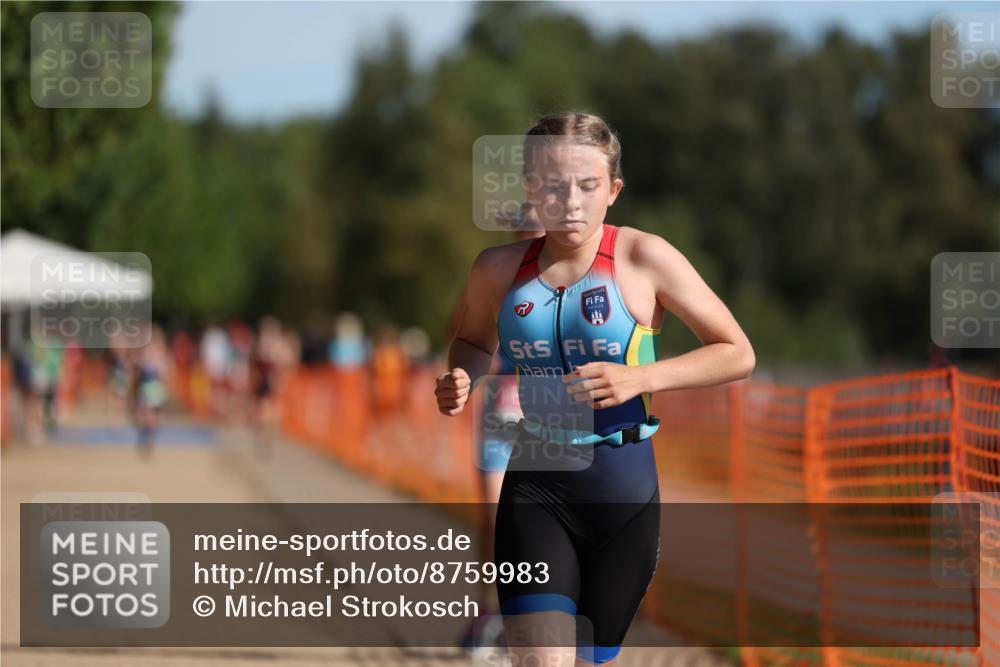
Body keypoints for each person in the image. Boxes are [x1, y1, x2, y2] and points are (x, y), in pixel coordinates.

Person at [435, 112, 755, 666]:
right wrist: (462, 375)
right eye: (554, 187)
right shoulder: (496, 269)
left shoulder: (642, 257)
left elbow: (737, 352)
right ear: (530, 189)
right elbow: (471, 342)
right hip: (536, 486)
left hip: (623, 493)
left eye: (588, 186)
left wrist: (642, 377)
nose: (572, 202)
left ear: (614, 190)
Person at [448, 203, 545, 651]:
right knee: (495, 519)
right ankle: (487, 612)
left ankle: (522, 616)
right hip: (499, 414)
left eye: (538, 226)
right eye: (524, 226)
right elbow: (460, 335)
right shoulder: (496, 275)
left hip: (546, 417)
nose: (531, 233)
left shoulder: (569, 280)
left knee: (536, 521)